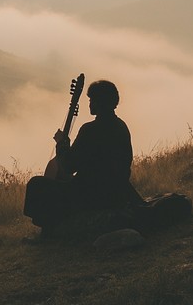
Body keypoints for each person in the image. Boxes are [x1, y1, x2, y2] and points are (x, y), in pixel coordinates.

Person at [23, 80, 138, 236]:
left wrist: (62, 145)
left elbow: (69, 166)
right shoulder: (121, 126)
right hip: (117, 191)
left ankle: (48, 233)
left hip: (92, 194)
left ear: (99, 103)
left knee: (37, 184)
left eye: (92, 100)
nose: (89, 104)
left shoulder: (90, 130)